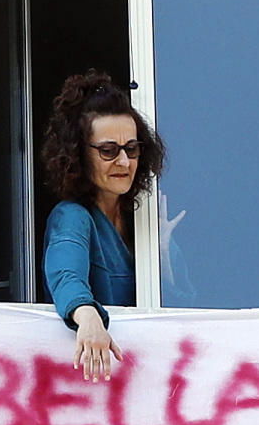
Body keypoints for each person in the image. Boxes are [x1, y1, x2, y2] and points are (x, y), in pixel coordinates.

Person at [38, 69, 165, 382]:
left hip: (151, 375)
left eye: (131, 149)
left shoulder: (145, 224)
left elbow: (183, 301)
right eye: (108, 151)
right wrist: (87, 316)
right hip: (99, 383)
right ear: (79, 155)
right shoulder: (73, 216)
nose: (123, 162)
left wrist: (166, 251)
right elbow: (66, 275)